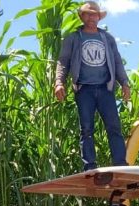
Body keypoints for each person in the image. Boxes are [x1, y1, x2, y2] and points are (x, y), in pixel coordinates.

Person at [54, 1, 131, 171]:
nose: (91, 17)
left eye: (94, 14)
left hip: (105, 89)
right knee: (86, 129)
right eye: (88, 14)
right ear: (81, 16)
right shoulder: (73, 38)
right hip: (84, 90)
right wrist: (59, 82)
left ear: (99, 17)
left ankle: (120, 164)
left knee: (114, 127)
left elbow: (117, 62)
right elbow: (63, 62)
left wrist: (124, 82)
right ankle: (90, 166)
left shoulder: (107, 38)